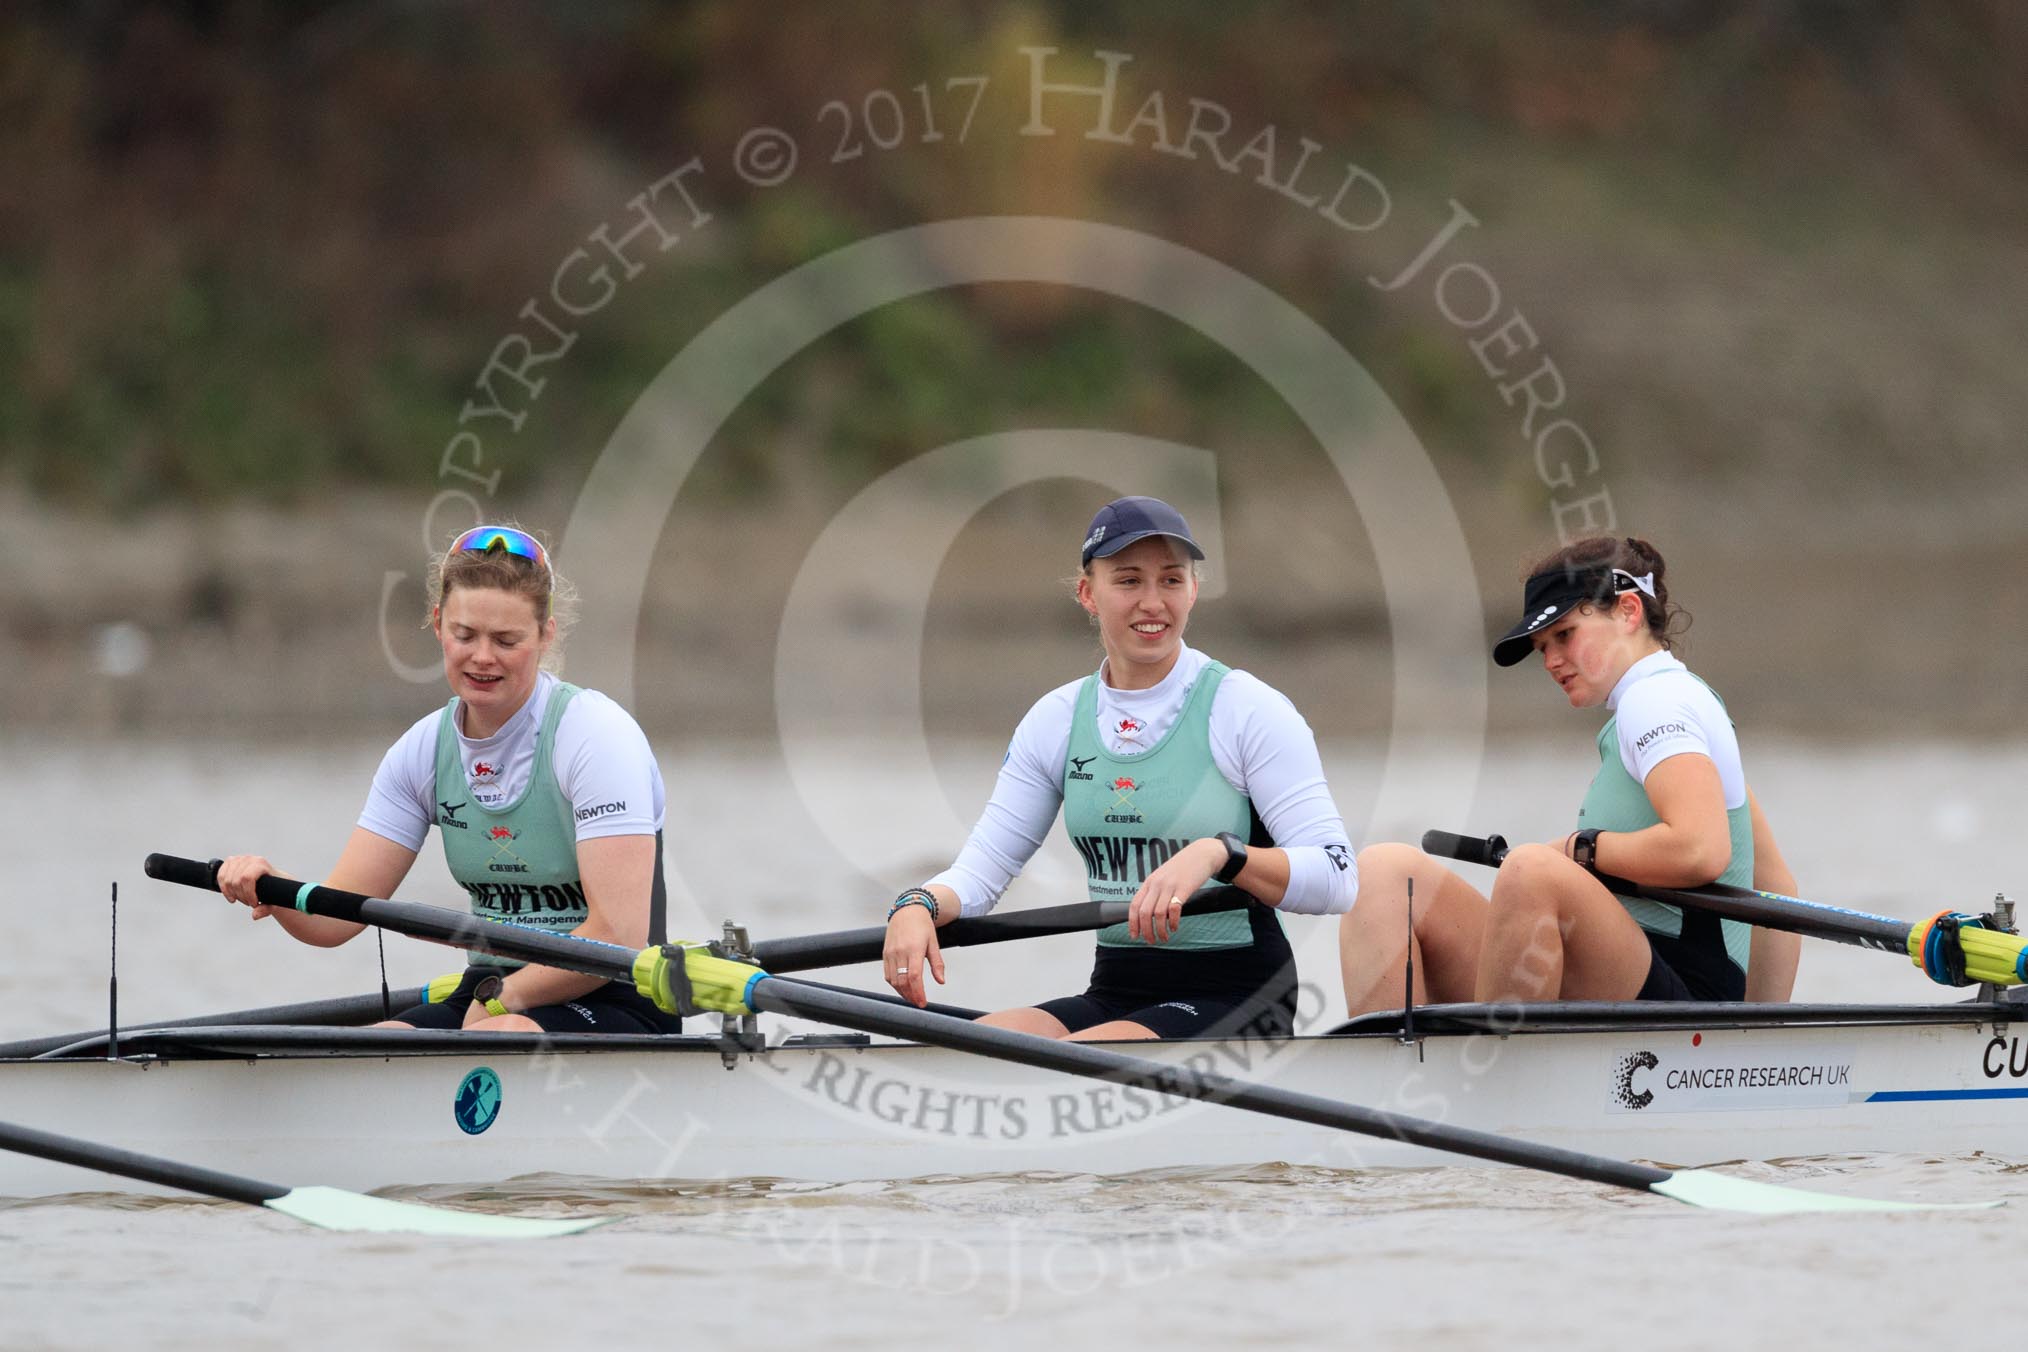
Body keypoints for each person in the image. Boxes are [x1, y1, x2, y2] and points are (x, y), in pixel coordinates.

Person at [881, 496, 1358, 1041]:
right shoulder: (1056, 720)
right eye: (1129, 581)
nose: (1152, 603)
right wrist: (915, 905)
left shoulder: (1247, 709)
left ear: (1194, 590)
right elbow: (980, 873)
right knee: (962, 1048)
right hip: (1116, 990)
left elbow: (1338, 879)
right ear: (1088, 593)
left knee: (1049, 1064)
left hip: (1239, 994)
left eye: (1171, 581)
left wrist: (1220, 853)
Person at [215, 524, 682, 1033]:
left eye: (506, 640)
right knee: (371, 1047)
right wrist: (272, 885)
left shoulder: (594, 736)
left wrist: (505, 998)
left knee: (493, 1037)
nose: (483, 657)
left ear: (546, 635)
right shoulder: (421, 752)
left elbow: (617, 934)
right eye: (465, 635)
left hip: (615, 994)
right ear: (438, 625)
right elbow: (335, 917)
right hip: (490, 990)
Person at [1339, 534, 1802, 1010]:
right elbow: (1773, 881)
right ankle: (1395, 1064)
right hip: (1616, 970)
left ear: (1627, 612)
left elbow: (1700, 852)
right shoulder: (1674, 705)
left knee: (1533, 870)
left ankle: (1496, 1071)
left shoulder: (1656, 701)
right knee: (1385, 874)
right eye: (1542, 647)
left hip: (1680, 992)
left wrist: (1578, 850)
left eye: (1565, 635)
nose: (1552, 661)